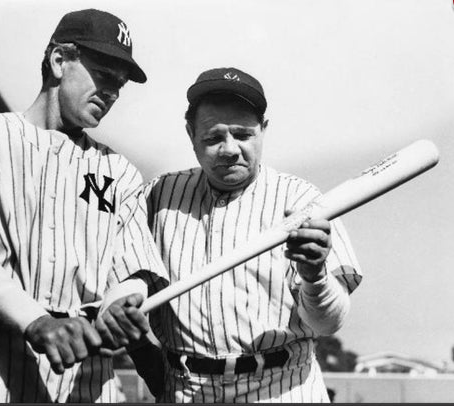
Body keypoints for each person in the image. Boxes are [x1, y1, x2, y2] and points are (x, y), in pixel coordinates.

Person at [0, 9, 168, 403]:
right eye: (105, 76)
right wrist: (33, 319)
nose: (112, 94)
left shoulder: (118, 171)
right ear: (59, 61)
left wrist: (121, 305)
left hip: (82, 370)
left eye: (120, 86)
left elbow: (132, 271)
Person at [130, 67, 362, 402]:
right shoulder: (161, 195)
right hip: (187, 389)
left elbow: (329, 323)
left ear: (263, 130)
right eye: (213, 137)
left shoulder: (300, 199)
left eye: (243, 135)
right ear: (190, 134)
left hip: (283, 386)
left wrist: (315, 275)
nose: (230, 149)